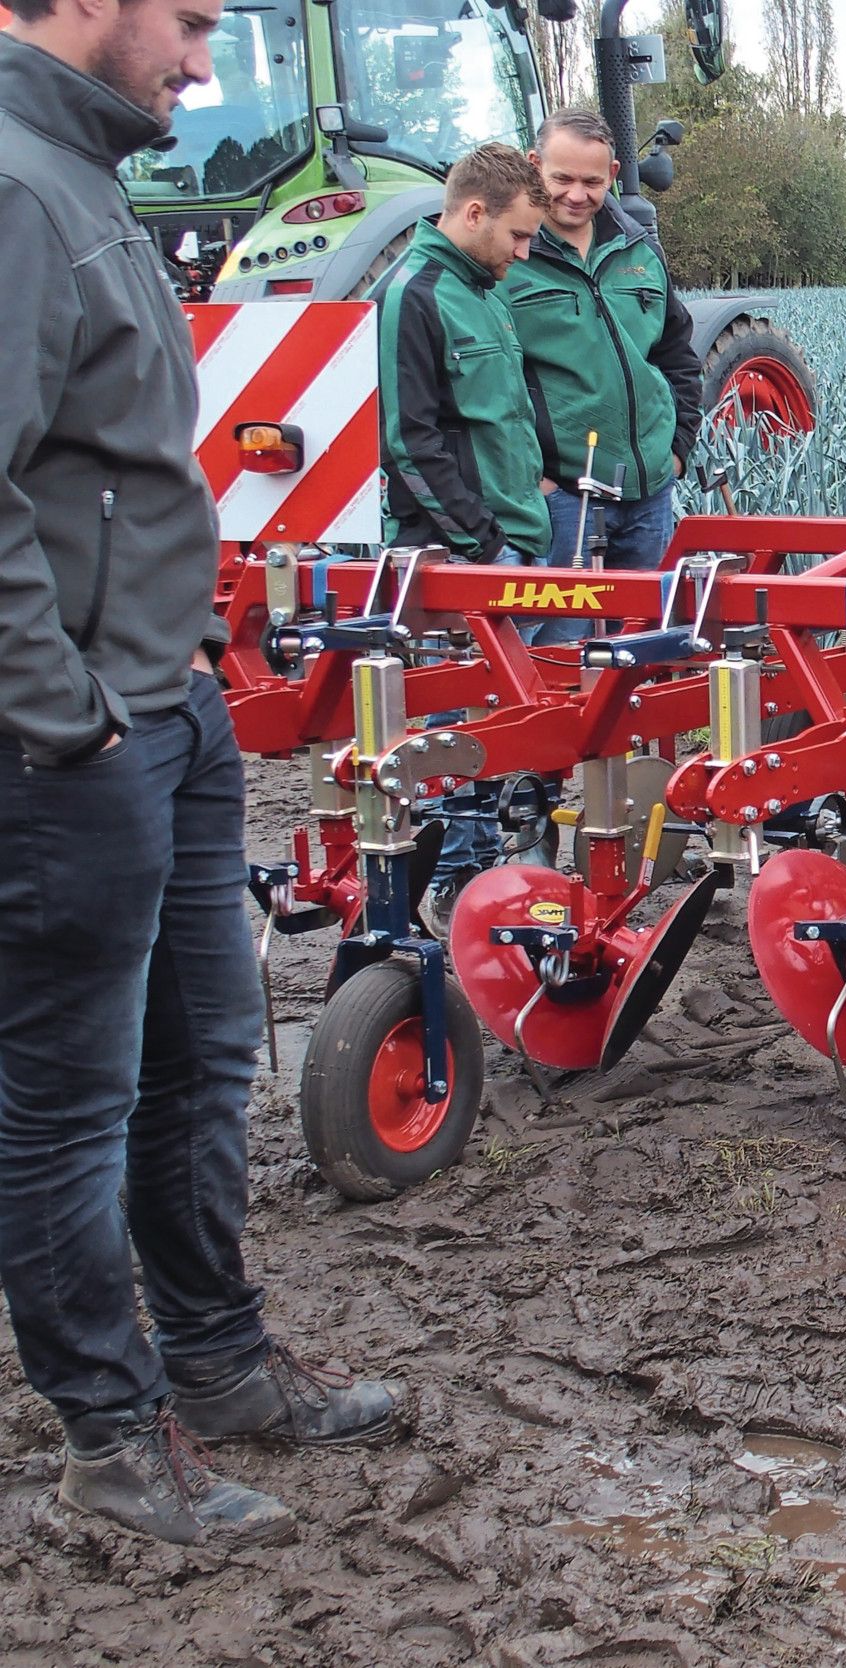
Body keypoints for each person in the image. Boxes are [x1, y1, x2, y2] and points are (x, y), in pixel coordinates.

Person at [0, 0, 405, 1550]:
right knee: (68, 1101)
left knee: (201, 1047)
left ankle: (223, 1364)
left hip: (161, 700)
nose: (199, 63)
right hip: (71, 740)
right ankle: (111, 1438)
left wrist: (169, 682)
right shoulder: (18, 185)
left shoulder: (81, 168)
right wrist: (70, 713)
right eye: (184, 23)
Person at [373, 141, 553, 924]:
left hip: (513, 540)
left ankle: (502, 875)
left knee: (510, 717)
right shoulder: (415, 293)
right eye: (516, 236)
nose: (523, 253)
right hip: (461, 553)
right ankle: (456, 879)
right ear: (472, 212)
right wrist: (482, 545)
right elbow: (409, 441)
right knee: (457, 724)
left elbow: (496, 414)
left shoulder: (482, 289)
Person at [507, 108, 703, 637]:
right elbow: (490, 382)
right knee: (563, 662)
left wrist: (678, 449)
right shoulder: (508, 257)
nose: (577, 194)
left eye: (592, 181)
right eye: (562, 179)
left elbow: (677, 354)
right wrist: (536, 479)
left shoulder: (637, 251)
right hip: (563, 498)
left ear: (614, 174)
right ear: (533, 167)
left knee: (644, 652)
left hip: (650, 494)